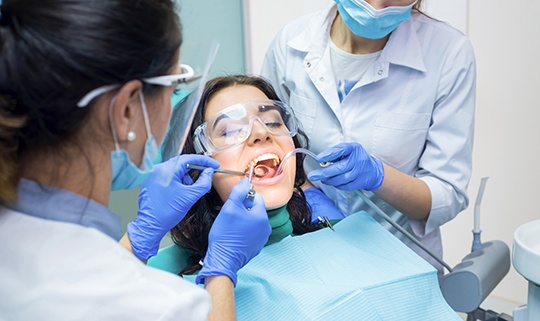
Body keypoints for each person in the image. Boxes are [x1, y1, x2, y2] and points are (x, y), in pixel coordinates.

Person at [0, 1, 270, 320]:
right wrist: (221, 272)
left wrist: (140, 237)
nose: (260, 135)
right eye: (173, 88)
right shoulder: (165, 307)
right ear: (127, 110)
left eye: (275, 121)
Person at [261, 0, 476, 277]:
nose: (376, 6)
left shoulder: (449, 53)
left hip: (399, 263)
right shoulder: (291, 42)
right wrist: (309, 192)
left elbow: (447, 194)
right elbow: (269, 143)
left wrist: (379, 176)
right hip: (308, 248)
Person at [160, 75, 344, 275]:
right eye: (230, 131)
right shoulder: (171, 284)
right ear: (197, 168)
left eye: (273, 122)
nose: (261, 133)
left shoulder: (341, 235)